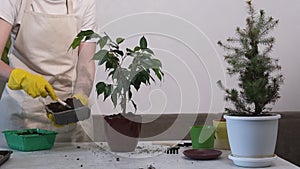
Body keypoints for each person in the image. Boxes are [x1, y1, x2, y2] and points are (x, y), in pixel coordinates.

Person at [0, 0, 97, 145]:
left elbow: (86, 61)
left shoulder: (84, 3)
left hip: (68, 116)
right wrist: (20, 78)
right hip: (23, 118)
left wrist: (80, 97)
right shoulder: (15, 2)